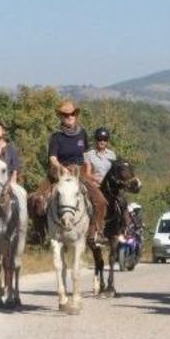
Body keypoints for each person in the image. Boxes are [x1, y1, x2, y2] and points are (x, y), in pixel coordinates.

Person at [33, 99, 107, 244]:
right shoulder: (56, 136)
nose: (69, 117)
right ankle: (39, 233)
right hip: (59, 172)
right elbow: (52, 158)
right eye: (66, 115)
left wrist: (89, 172)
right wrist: (61, 167)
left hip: (79, 171)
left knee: (100, 201)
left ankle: (95, 232)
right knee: (37, 199)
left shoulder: (82, 134)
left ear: (76, 115)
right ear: (61, 117)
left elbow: (86, 155)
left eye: (72, 114)